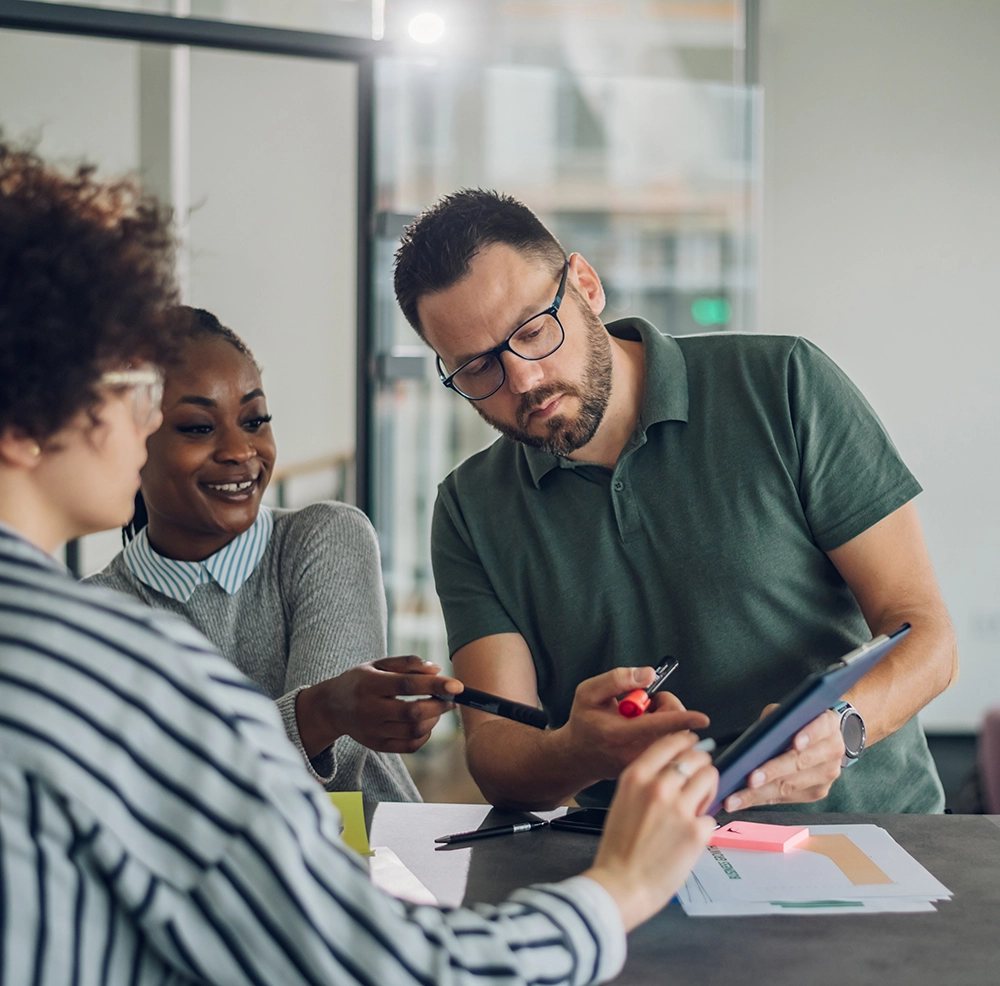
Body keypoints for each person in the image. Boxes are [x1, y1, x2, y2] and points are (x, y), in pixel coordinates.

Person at [0, 139, 719, 983]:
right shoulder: (115, 672)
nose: (141, 416)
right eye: (126, 385)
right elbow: (388, 970)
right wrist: (619, 888)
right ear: (21, 425)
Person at [392, 188, 958, 815]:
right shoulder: (470, 509)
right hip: (636, 864)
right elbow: (499, 751)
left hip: (872, 838)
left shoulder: (785, 383)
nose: (523, 379)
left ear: (584, 284)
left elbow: (925, 633)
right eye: (477, 369)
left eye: (532, 329)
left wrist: (845, 728)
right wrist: (578, 750)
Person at [88, 306, 451, 818]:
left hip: (376, 871)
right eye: (197, 427)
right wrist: (321, 710)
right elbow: (157, 795)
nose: (241, 450)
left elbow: (341, 767)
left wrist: (326, 719)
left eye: (254, 420)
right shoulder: (96, 613)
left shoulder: (324, 537)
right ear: (129, 445)